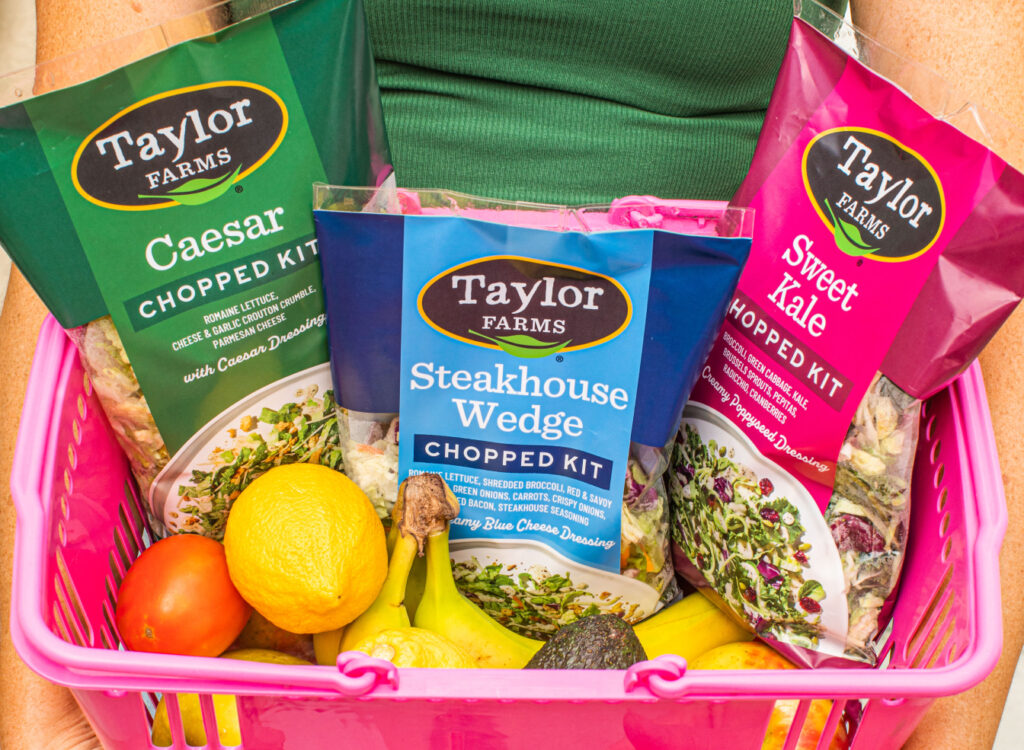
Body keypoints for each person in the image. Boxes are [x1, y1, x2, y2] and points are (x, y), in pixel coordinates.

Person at [1, 1, 1022, 748]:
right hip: (315, 370)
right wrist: (38, 720)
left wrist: (941, 728)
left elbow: (980, 215)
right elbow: (95, 160)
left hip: (706, 367)